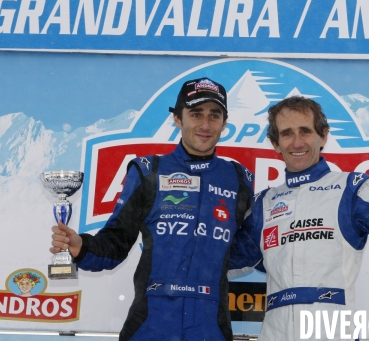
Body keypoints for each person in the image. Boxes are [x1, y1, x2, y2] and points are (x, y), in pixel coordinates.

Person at [50, 77, 254, 341]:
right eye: (195, 114)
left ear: (224, 124)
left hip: (210, 324)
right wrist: (82, 247)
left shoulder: (239, 178)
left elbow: (247, 251)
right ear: (178, 119)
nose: (205, 125)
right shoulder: (148, 171)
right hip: (152, 321)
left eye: (214, 116)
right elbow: (117, 241)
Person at [230, 96, 369, 340]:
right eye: (287, 133)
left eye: (305, 131)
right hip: (275, 332)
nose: (297, 142)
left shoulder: (351, 188)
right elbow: (224, 264)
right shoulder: (263, 203)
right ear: (276, 144)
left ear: (323, 136)